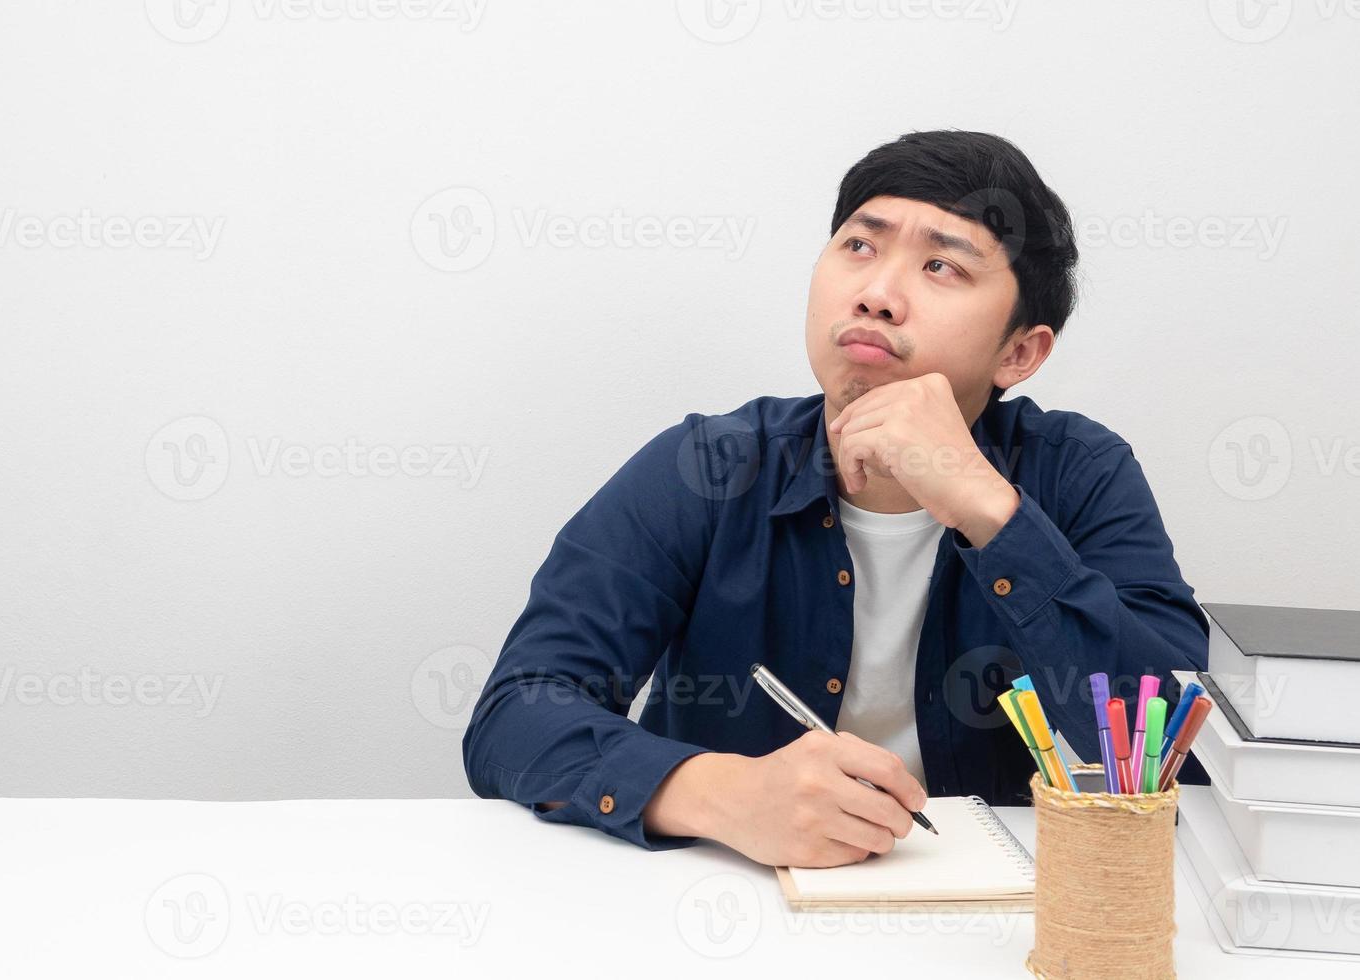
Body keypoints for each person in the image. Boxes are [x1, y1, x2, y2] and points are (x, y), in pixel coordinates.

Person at [462, 129, 1208, 869]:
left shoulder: (1080, 472)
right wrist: (728, 793)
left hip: (997, 919)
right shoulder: (708, 466)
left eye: (942, 265)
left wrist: (989, 510)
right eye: (859, 246)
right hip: (729, 903)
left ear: (1019, 352)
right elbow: (517, 714)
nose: (878, 294)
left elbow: (1184, 747)